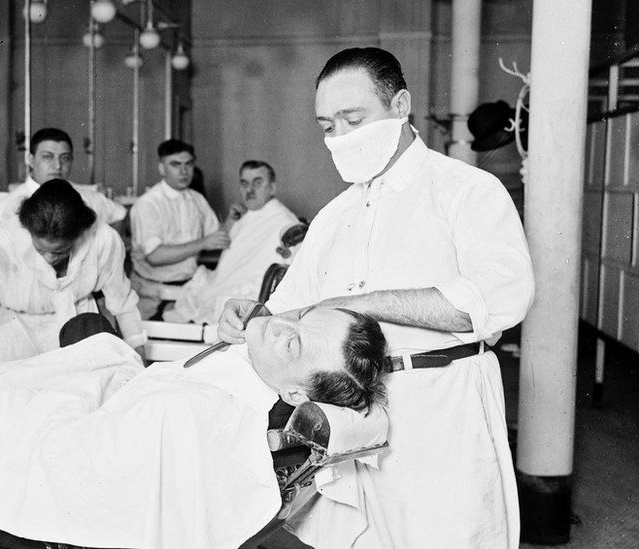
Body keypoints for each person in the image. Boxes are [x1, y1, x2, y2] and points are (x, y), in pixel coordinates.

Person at [218, 47, 534, 548]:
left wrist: (363, 303)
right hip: (353, 418)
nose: (339, 138)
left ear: (401, 105)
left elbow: (499, 299)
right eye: (327, 126)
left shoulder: (466, 191)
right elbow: (291, 307)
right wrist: (249, 316)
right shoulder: (335, 215)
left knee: (446, 535)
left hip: (441, 405)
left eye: (353, 119)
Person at [0, 306, 388, 549]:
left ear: (297, 394)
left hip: (82, 426)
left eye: (294, 344)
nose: (283, 325)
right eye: (301, 316)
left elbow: (72, 456)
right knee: (85, 326)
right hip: (128, 399)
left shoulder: (190, 416)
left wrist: (56, 394)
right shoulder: (255, 379)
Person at [0, 179, 145, 362]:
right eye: (40, 249)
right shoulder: (3, 247)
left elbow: (123, 305)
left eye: (61, 251)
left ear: (79, 235)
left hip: (78, 334)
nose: (49, 258)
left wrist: (139, 360)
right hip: (16, 339)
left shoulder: (103, 240)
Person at [163, 160, 299, 324]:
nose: (250, 190)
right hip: (222, 284)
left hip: (251, 295)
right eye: (244, 183)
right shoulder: (246, 216)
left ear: (272, 187)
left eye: (257, 182)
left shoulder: (284, 221)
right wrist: (231, 223)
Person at [129, 139, 230, 319]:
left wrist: (234, 220)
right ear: (161, 168)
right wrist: (204, 243)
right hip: (152, 294)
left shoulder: (197, 199)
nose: (184, 171)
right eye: (175, 164)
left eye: (188, 164)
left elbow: (216, 238)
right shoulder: (148, 204)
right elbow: (155, 256)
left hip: (188, 289)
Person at [0, 128, 126, 239]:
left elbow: (120, 214)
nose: (58, 166)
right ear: (30, 159)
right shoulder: (7, 208)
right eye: (48, 157)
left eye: (65, 158)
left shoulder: (87, 197)